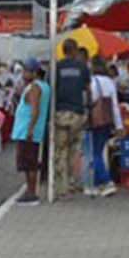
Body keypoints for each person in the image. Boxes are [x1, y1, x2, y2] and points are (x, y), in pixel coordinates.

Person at [51, 39, 92, 201]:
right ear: (74, 50)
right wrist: (89, 107)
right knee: (74, 150)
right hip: (77, 114)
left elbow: (52, 89)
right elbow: (88, 90)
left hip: (60, 114)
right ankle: (71, 182)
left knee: (60, 150)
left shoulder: (56, 67)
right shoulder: (82, 67)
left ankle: (61, 188)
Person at [12, 61, 50, 204]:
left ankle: (32, 193)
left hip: (27, 131)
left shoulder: (35, 87)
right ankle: (29, 191)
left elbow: (35, 109)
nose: (23, 75)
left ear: (34, 73)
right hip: (27, 130)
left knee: (29, 163)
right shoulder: (42, 86)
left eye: (26, 71)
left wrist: (30, 129)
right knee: (28, 163)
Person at [86, 57, 123, 198]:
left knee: (95, 153)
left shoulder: (92, 82)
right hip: (107, 121)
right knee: (100, 150)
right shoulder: (110, 82)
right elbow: (114, 106)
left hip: (95, 121)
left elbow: (90, 101)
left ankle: (107, 181)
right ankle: (96, 184)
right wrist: (119, 125)